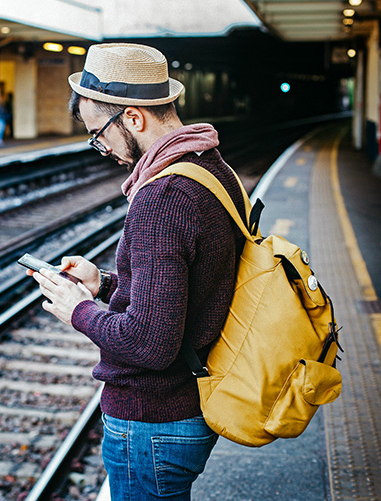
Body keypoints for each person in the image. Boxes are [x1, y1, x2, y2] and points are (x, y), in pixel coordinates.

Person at [28, 43, 247, 500]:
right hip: (187, 405)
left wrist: (78, 309)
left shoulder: (160, 198)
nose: (100, 147)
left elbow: (150, 342)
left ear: (132, 117)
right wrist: (104, 283)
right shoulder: (212, 168)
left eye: (98, 133)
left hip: (153, 419)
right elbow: (191, 285)